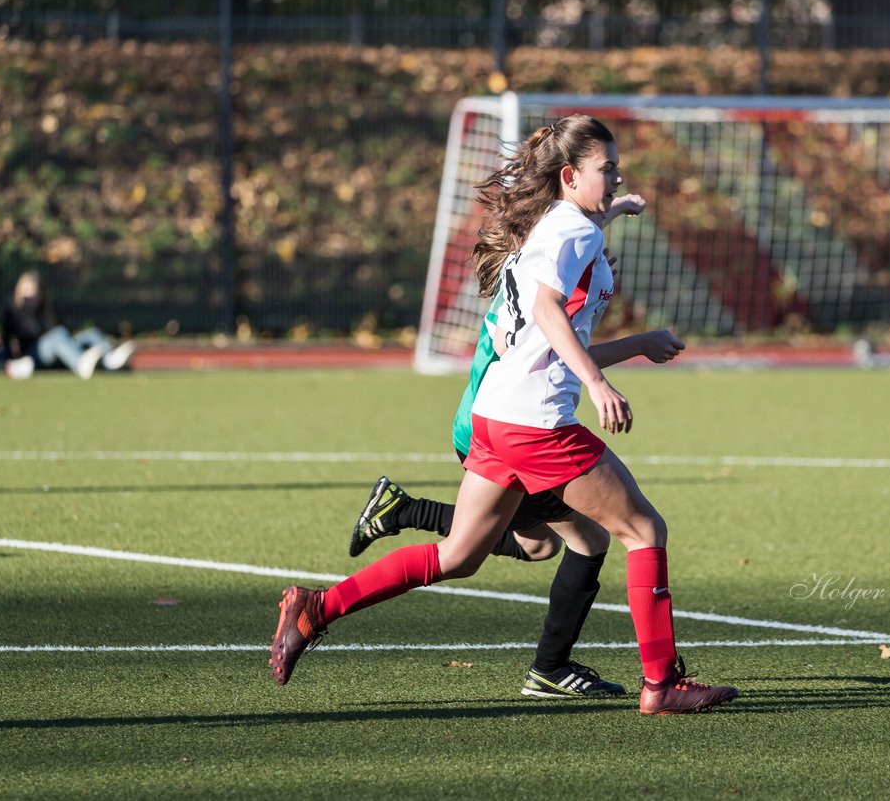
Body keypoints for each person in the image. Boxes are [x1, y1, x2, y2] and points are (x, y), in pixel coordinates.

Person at [271, 115, 737, 714]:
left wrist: (635, 341)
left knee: (459, 556)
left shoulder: (553, 225)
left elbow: (552, 335)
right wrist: (597, 383)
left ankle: (316, 610)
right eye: (607, 169)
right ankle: (661, 683)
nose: (617, 176)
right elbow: (547, 310)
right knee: (644, 530)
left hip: (496, 416)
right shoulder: (573, 234)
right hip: (537, 424)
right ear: (570, 176)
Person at [351, 229, 688, 699]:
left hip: (487, 425)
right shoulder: (541, 283)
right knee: (590, 538)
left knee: (536, 546)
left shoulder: (528, 271)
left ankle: (400, 515)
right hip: (509, 430)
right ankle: (557, 669)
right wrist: (632, 346)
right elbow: (556, 357)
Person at [1, 270, 136, 380]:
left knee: (91, 334)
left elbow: (61, 329)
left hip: (57, 345)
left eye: (34, 290)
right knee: (57, 335)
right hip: (34, 354)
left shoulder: (46, 310)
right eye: (27, 290)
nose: (31, 294)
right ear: (19, 291)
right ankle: (81, 365)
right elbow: (8, 337)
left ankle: (109, 360)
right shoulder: (14, 310)